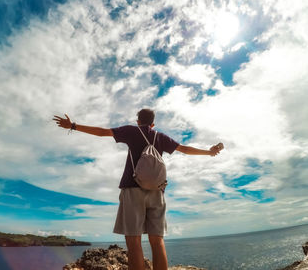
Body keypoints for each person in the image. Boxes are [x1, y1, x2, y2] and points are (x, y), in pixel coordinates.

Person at [53, 109, 223, 270]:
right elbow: (184, 149)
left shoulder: (131, 131)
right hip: (157, 192)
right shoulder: (160, 136)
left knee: (134, 242)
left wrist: (73, 126)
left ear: (138, 121)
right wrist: (209, 152)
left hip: (133, 189)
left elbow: (102, 132)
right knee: (157, 241)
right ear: (153, 124)